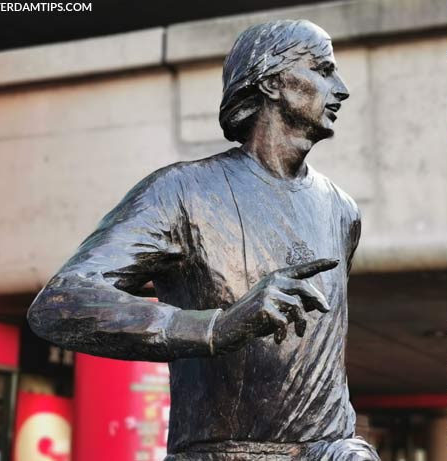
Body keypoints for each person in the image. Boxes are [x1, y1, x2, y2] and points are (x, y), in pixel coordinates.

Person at [28, 20, 380, 461]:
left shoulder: (342, 210)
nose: (341, 88)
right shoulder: (181, 192)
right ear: (271, 81)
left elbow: (322, 362)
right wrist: (216, 327)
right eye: (322, 70)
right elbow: (61, 304)